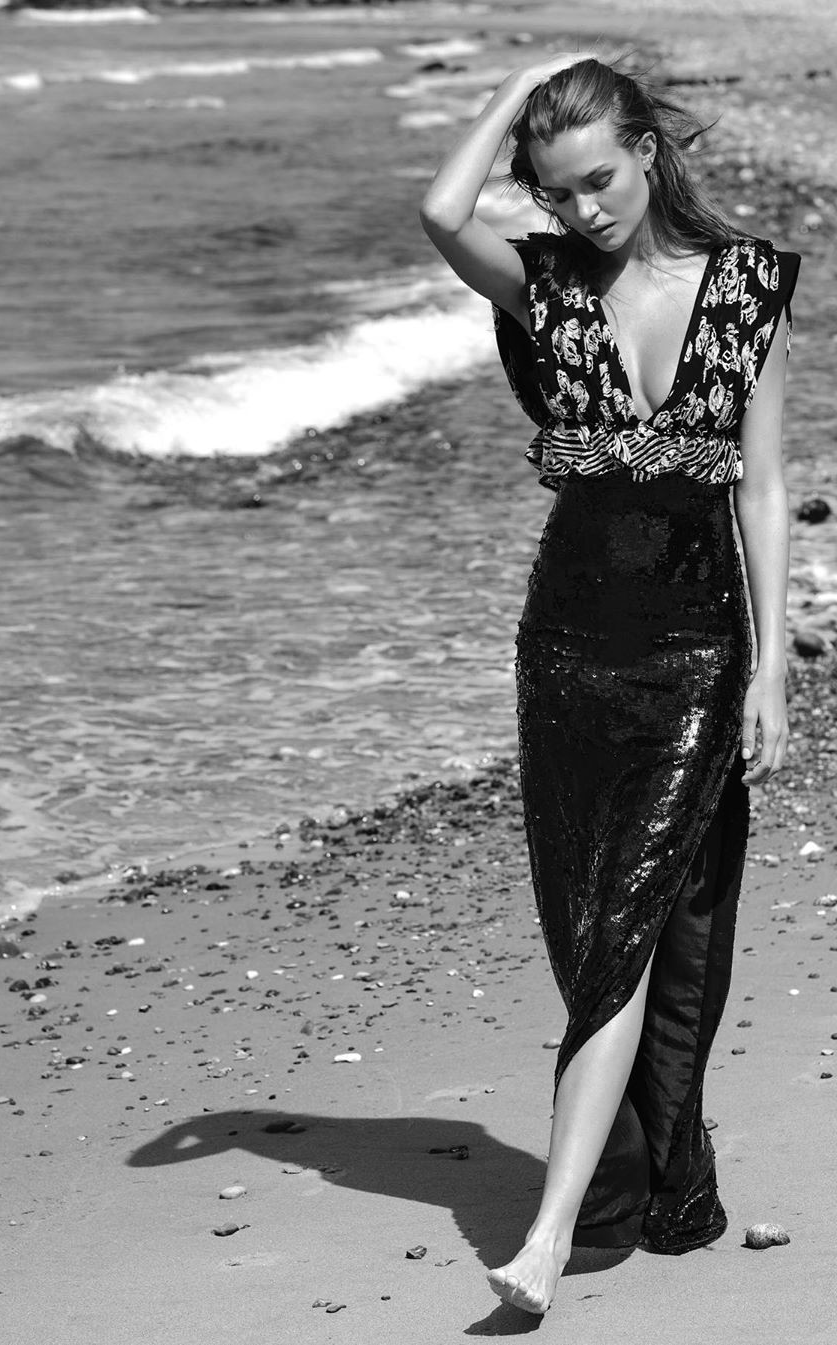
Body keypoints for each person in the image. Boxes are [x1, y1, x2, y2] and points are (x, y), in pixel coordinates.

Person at [419, 54, 798, 1316]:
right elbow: (438, 212)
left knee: (632, 938)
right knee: (598, 925)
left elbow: (762, 488)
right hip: (568, 649)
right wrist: (518, 85)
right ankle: (662, 1188)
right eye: (557, 190)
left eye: (599, 179)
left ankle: (552, 1231)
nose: (583, 209)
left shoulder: (748, 287)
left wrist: (773, 668)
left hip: (696, 648)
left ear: (647, 150)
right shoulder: (546, 288)